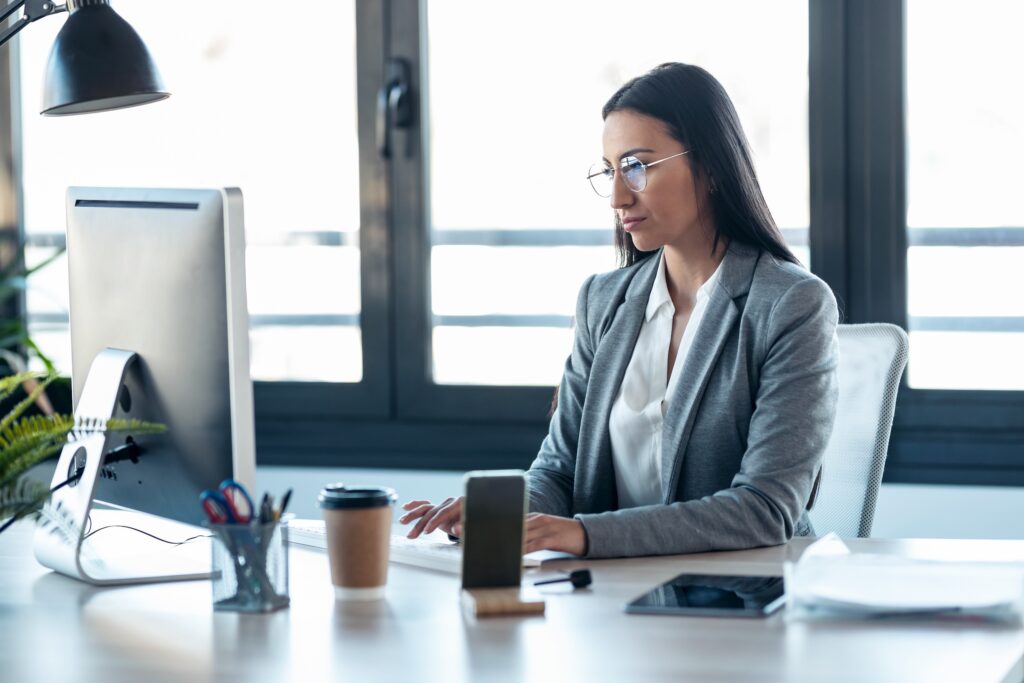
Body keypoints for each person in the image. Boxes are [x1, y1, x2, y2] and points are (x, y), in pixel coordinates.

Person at [401, 62, 838, 559]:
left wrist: (584, 535)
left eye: (637, 166)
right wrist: (501, 509)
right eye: (610, 170)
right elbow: (560, 472)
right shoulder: (602, 302)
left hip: (742, 595)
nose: (616, 196)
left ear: (711, 166)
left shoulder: (791, 304)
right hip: (614, 593)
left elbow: (766, 508)